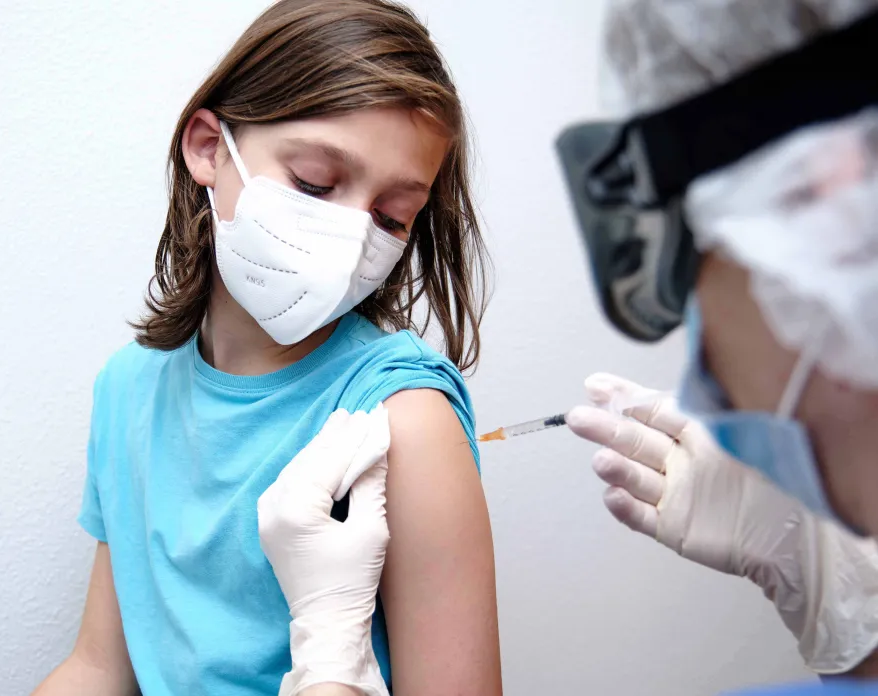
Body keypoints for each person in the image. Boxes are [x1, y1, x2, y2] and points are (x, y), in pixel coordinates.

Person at [256, 0, 878, 693]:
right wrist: (842, 602)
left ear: (831, 199)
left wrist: (330, 653)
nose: (707, 389)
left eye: (701, 276)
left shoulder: (409, 404)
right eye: (314, 185)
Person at [31, 1, 502, 695]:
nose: (350, 244)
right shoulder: (130, 388)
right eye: (315, 182)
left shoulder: (402, 420)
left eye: (391, 216)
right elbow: (101, 666)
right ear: (208, 148)